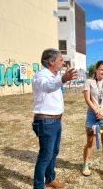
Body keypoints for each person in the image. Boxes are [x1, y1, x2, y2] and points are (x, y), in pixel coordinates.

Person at [32, 48, 77, 189]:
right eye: (61, 60)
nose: (63, 63)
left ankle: (50, 179)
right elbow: (47, 87)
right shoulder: (41, 76)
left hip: (55, 121)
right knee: (45, 155)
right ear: (51, 62)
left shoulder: (54, 77)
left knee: (54, 152)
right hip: (46, 122)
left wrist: (62, 79)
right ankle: (38, 186)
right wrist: (63, 79)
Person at [82, 60, 103, 179]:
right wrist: (96, 111)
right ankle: (85, 165)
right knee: (90, 142)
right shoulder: (89, 82)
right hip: (92, 115)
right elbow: (87, 99)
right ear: (96, 70)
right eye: (101, 69)